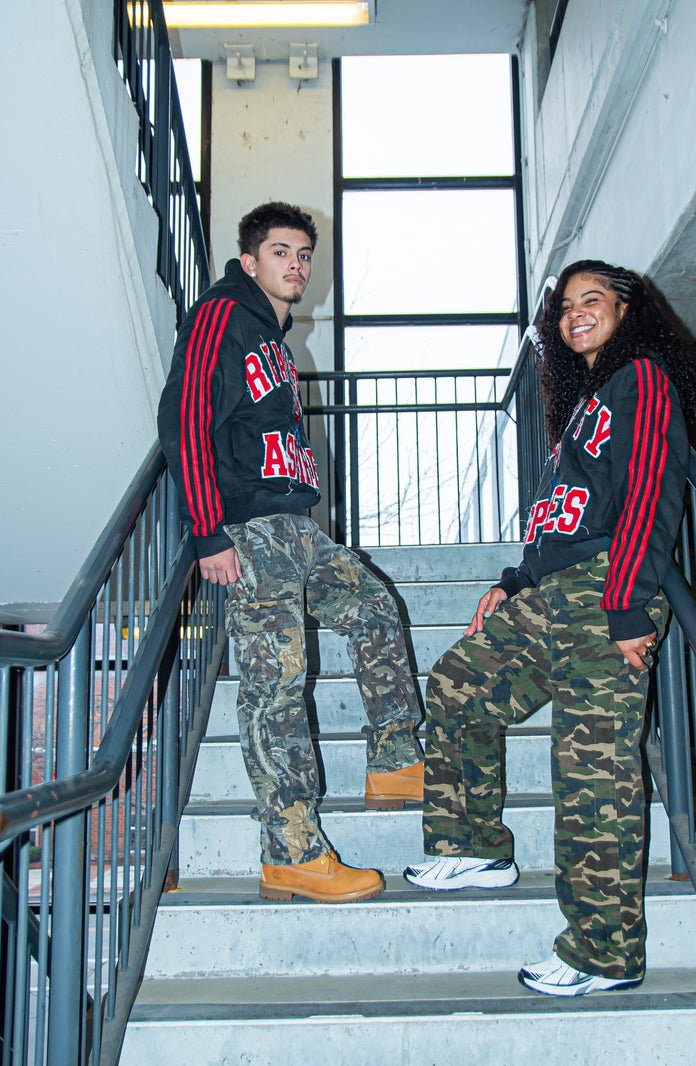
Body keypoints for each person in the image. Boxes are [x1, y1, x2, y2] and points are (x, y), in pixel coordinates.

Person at [403, 260, 696, 994]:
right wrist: (515, 581)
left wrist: (628, 604)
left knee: (591, 775)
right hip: (558, 591)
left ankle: (604, 953)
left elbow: (649, 492)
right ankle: (474, 846)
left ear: (626, 309)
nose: (575, 313)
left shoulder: (642, 378)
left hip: (610, 589)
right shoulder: (585, 403)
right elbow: (564, 519)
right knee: (457, 685)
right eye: (565, 306)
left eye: (591, 300)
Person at [158, 202, 423, 904]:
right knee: (276, 687)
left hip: (296, 527)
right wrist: (207, 531)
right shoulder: (222, 315)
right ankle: (292, 852)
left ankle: (395, 761)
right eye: (281, 252)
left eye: (304, 254)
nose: (297, 265)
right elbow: (184, 415)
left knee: (374, 608)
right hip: (250, 530)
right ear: (250, 261)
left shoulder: (276, 341)